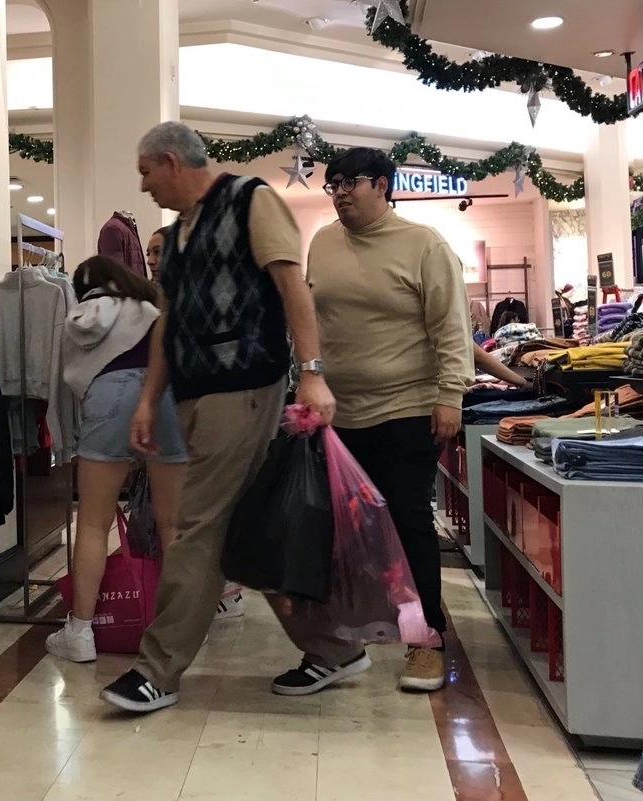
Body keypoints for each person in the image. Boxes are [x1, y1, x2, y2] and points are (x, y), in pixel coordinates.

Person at [100, 122, 336, 713]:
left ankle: (159, 669)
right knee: (245, 528)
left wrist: (311, 372)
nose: (144, 185)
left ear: (173, 162)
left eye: (146, 172)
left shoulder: (251, 201)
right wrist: (150, 401)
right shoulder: (177, 234)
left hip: (246, 391)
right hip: (194, 397)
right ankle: (331, 648)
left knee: (197, 526)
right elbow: (169, 325)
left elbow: (293, 290)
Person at [266, 147, 473, 697]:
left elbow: (452, 326)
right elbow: (311, 318)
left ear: (383, 185)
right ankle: (338, 648)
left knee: (406, 525)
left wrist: (450, 395)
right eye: (332, 183)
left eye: (350, 181)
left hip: (406, 409)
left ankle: (426, 640)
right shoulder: (325, 242)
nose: (338, 191)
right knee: (337, 533)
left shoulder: (423, 244)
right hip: (339, 413)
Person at [46, 256, 187, 663]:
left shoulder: (75, 319)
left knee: (93, 521)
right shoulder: (149, 307)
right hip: (163, 397)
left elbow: (71, 384)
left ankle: (81, 632)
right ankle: (176, 631)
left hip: (107, 396)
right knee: (173, 524)